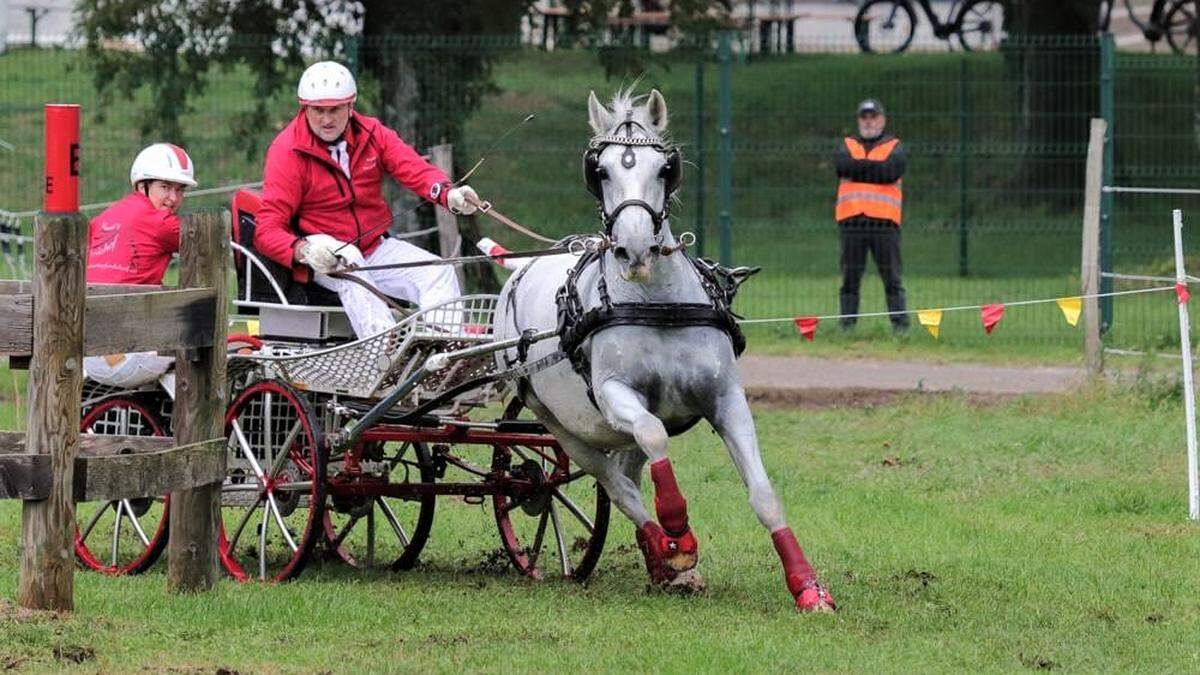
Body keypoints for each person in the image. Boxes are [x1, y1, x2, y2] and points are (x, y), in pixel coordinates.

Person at [255, 60, 479, 339]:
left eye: (335, 109)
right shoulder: (286, 151)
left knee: (438, 272)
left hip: (374, 246)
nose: (326, 119)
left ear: (351, 106)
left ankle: (444, 355)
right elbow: (266, 230)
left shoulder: (373, 133)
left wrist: (448, 193)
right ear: (304, 108)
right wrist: (303, 251)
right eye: (318, 110)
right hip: (322, 252)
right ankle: (387, 354)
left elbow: (412, 167)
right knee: (350, 260)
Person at [84, 143, 195, 387]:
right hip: (128, 353)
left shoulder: (103, 218)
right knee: (206, 343)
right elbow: (207, 242)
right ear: (141, 186)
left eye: (180, 189)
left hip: (88, 350)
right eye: (165, 187)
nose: (173, 198)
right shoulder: (160, 223)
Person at [834, 98, 908, 331]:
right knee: (850, 278)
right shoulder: (846, 144)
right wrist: (873, 168)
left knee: (892, 279)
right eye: (864, 117)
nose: (868, 122)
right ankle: (847, 326)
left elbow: (890, 171)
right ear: (858, 121)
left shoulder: (894, 146)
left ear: (882, 119)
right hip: (852, 222)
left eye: (873, 117)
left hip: (884, 223)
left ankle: (900, 326)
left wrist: (858, 169)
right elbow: (843, 167)